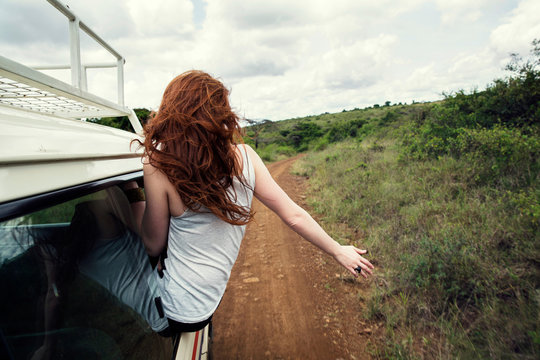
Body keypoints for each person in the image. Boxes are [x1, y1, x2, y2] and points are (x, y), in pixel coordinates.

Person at [130, 70, 374, 335]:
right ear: (219, 114)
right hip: (208, 302)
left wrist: (132, 192)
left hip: (175, 311)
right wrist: (337, 249)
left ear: (172, 111)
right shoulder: (245, 156)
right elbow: (293, 215)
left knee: (104, 233)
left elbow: (152, 243)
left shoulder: (158, 165)